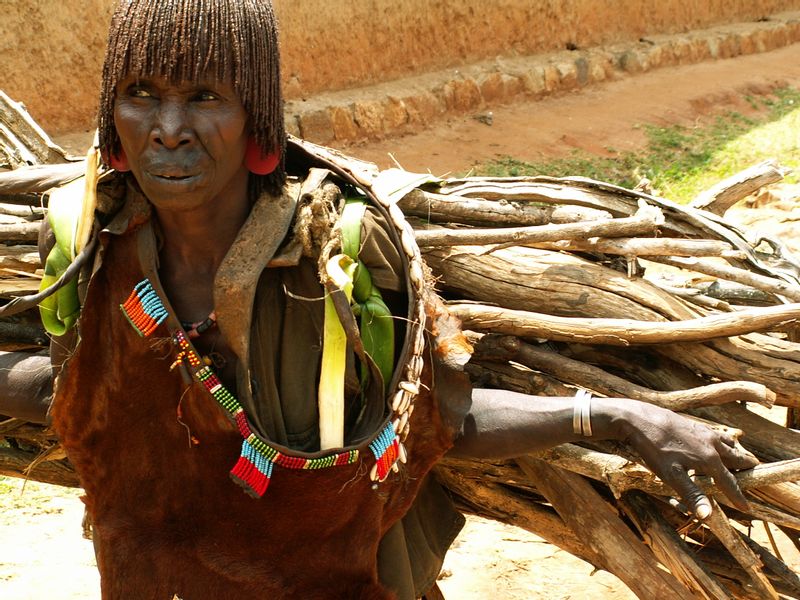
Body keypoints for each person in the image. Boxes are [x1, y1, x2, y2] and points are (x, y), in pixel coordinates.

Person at [1, 1, 759, 598]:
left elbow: (434, 422)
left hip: (344, 583)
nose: (168, 130)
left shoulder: (338, 254)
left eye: (205, 96)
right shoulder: (91, 242)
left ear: (256, 116)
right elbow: (81, 395)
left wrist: (619, 416)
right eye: (142, 95)